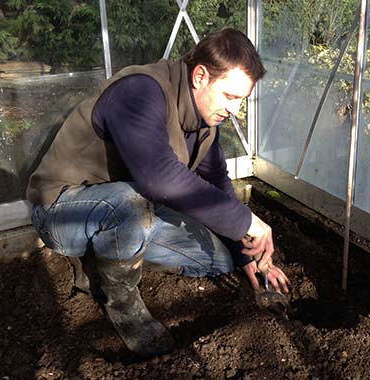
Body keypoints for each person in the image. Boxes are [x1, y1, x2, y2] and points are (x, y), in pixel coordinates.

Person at [26, 28, 289, 358]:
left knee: (217, 259)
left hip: (128, 210)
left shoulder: (206, 123)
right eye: (230, 96)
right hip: (63, 209)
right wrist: (249, 221)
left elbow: (217, 183)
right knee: (130, 203)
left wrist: (245, 255)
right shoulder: (140, 90)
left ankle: (103, 258)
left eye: (242, 100)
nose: (234, 109)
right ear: (200, 76)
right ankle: (123, 307)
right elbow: (159, 180)